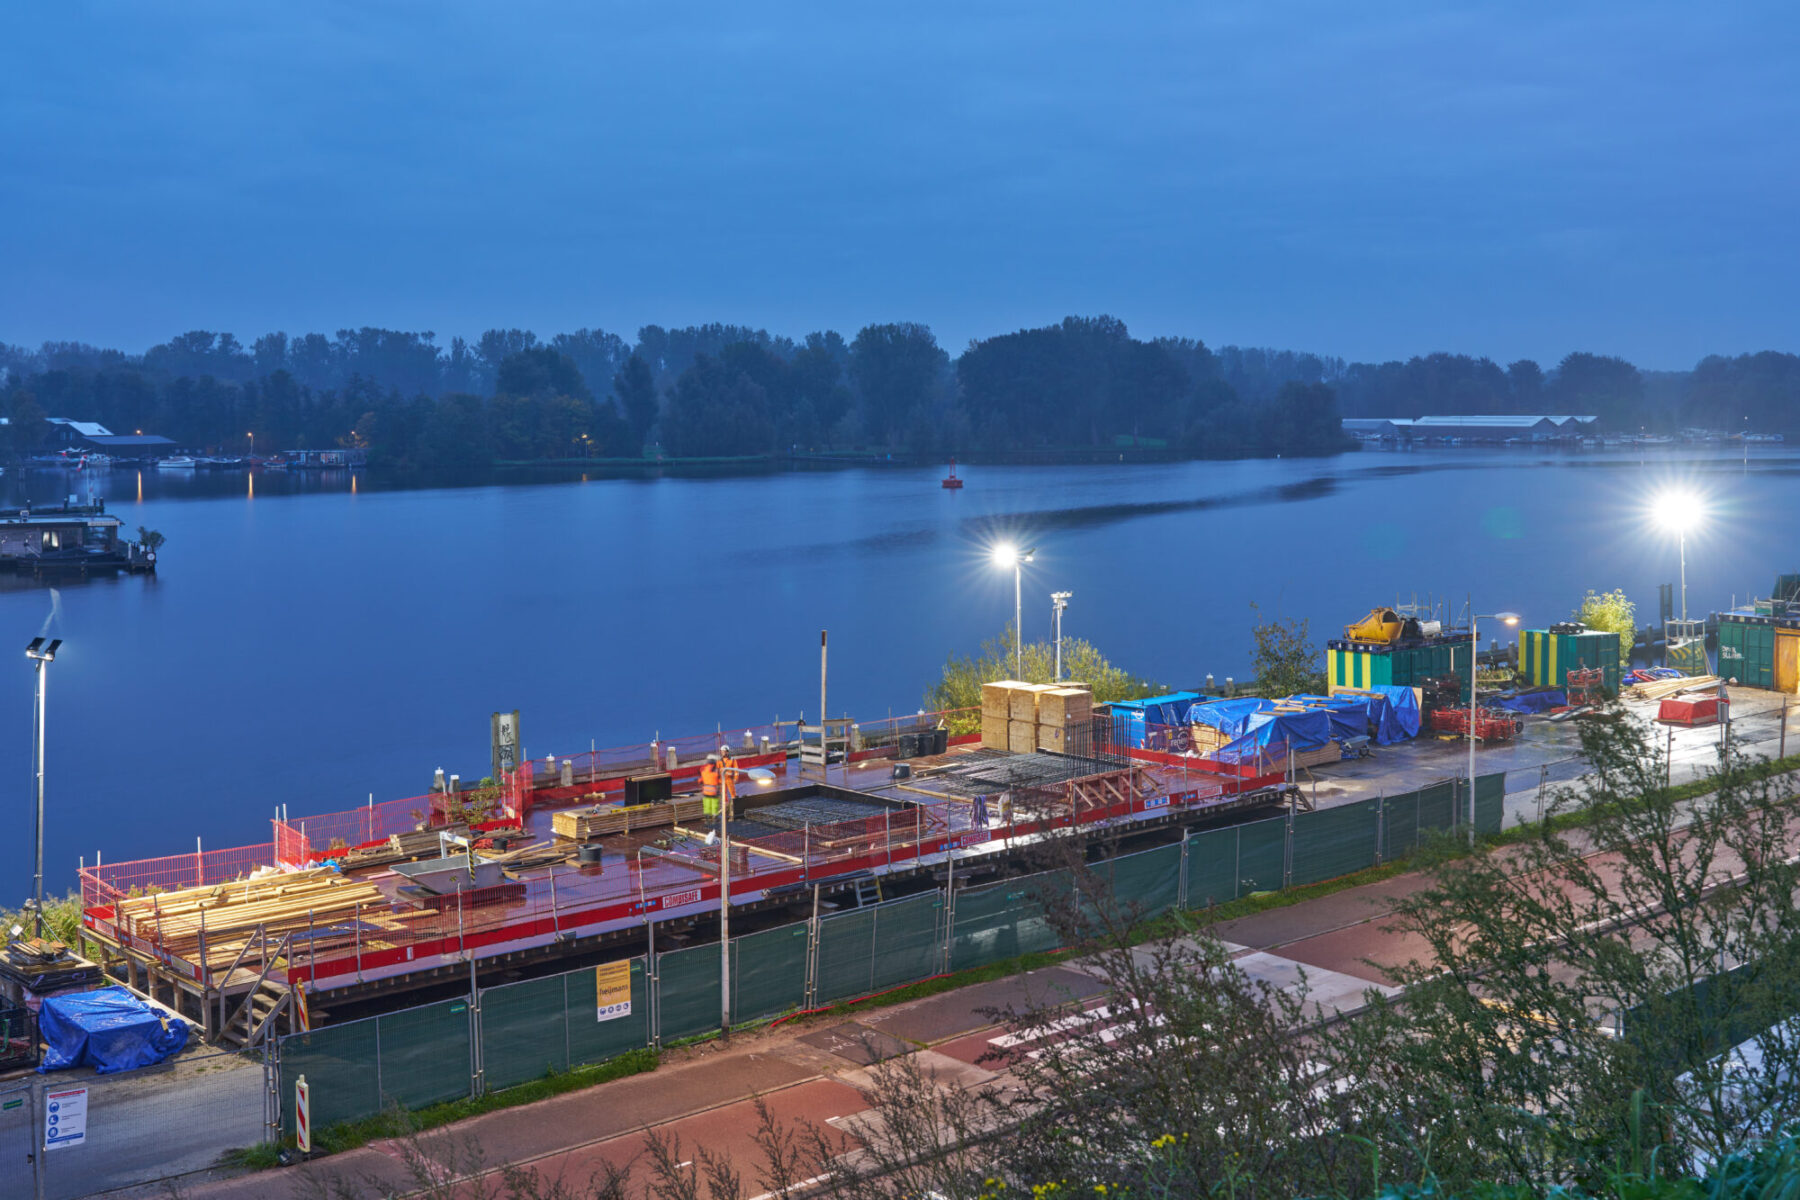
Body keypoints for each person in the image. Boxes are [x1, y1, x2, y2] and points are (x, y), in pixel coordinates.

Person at [700, 754, 721, 818]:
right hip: (713, 791)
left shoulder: (703, 771)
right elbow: (719, 781)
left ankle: (707, 816)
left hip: (705, 791)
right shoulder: (716, 772)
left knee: (707, 803)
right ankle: (715, 815)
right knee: (714, 803)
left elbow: (700, 780)